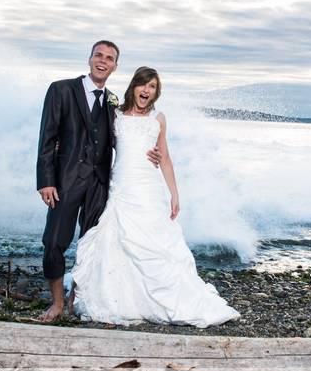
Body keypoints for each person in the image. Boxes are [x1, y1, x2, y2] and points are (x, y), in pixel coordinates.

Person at [69, 67, 240, 328]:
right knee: (115, 237)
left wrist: (174, 194)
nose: (146, 91)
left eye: (152, 87)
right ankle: (121, 298)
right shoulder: (115, 115)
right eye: (143, 85)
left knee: (157, 244)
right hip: (122, 187)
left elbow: (166, 158)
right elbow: (100, 147)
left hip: (148, 188)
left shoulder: (158, 119)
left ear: (156, 93)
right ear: (134, 86)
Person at [35, 41, 159, 322]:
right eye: (99, 56)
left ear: (115, 66)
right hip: (65, 181)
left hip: (100, 184)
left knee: (92, 243)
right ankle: (55, 303)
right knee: (54, 241)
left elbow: (122, 139)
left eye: (110, 58)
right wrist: (46, 181)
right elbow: (47, 138)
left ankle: (75, 299)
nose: (103, 61)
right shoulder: (61, 89)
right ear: (90, 59)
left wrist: (150, 152)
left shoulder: (114, 102)